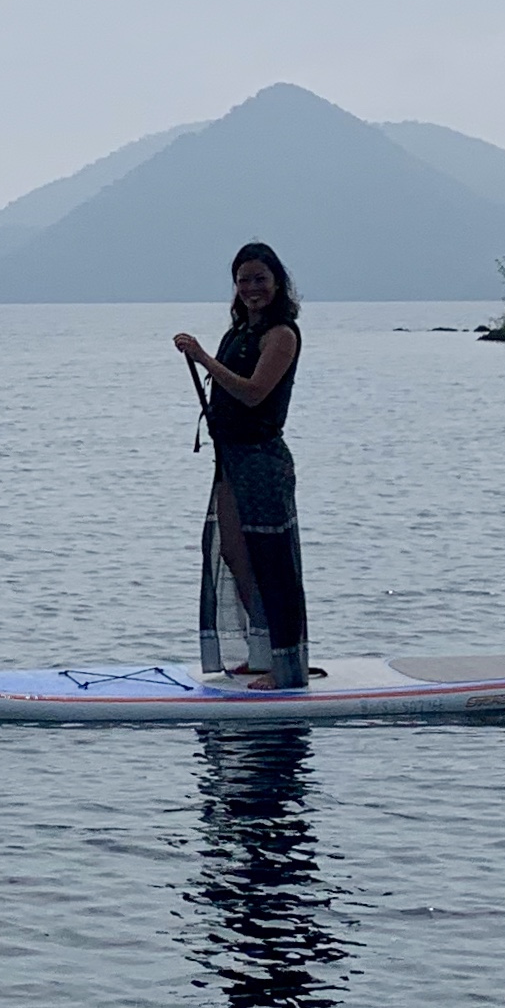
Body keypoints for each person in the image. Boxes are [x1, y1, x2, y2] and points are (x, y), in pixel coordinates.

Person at [175, 244, 310, 689]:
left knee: (272, 561)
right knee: (233, 552)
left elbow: (254, 392)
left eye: (260, 279)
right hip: (231, 457)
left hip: (262, 460)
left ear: (277, 283)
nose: (252, 288)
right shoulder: (240, 332)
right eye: (244, 280)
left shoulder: (281, 335)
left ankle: (284, 667)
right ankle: (264, 651)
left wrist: (203, 359)